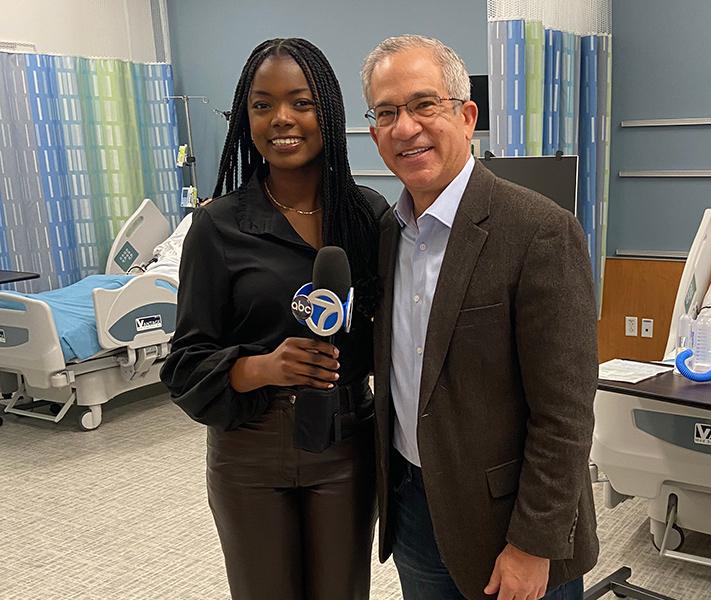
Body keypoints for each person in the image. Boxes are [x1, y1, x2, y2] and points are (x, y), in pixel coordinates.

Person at [361, 35, 599, 600]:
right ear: (373, 134)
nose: (405, 127)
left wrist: (533, 544)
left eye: (424, 105)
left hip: (511, 526)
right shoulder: (386, 236)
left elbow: (565, 412)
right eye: (387, 113)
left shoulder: (538, 230)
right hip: (414, 509)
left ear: (466, 117)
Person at [160, 38, 386, 600]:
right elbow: (185, 365)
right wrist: (262, 367)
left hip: (346, 442)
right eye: (262, 105)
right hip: (250, 451)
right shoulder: (219, 227)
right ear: (247, 118)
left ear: (327, 113)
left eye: (300, 103)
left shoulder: (368, 218)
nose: (281, 119)